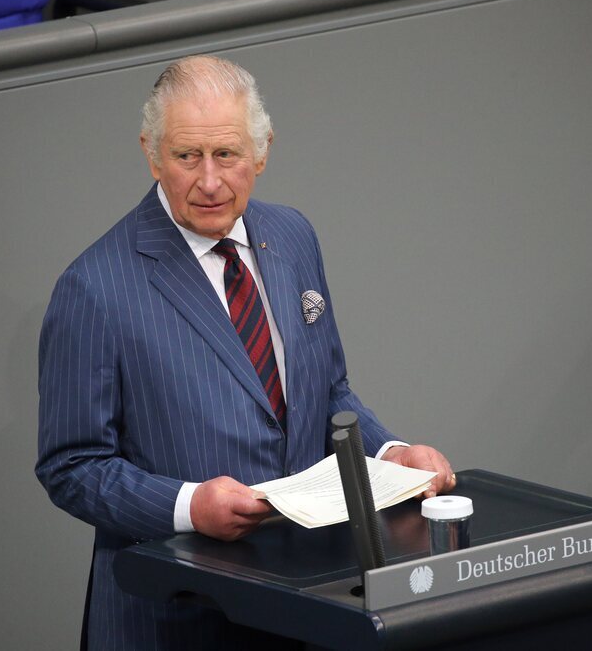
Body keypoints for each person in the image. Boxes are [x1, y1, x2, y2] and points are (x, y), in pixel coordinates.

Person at [36, 54, 456, 650]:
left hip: (307, 605)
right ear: (151, 153)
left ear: (261, 152)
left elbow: (327, 392)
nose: (209, 180)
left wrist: (391, 454)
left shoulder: (292, 236)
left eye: (227, 155)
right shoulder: (94, 288)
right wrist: (189, 506)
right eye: (187, 157)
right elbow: (71, 467)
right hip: (177, 620)